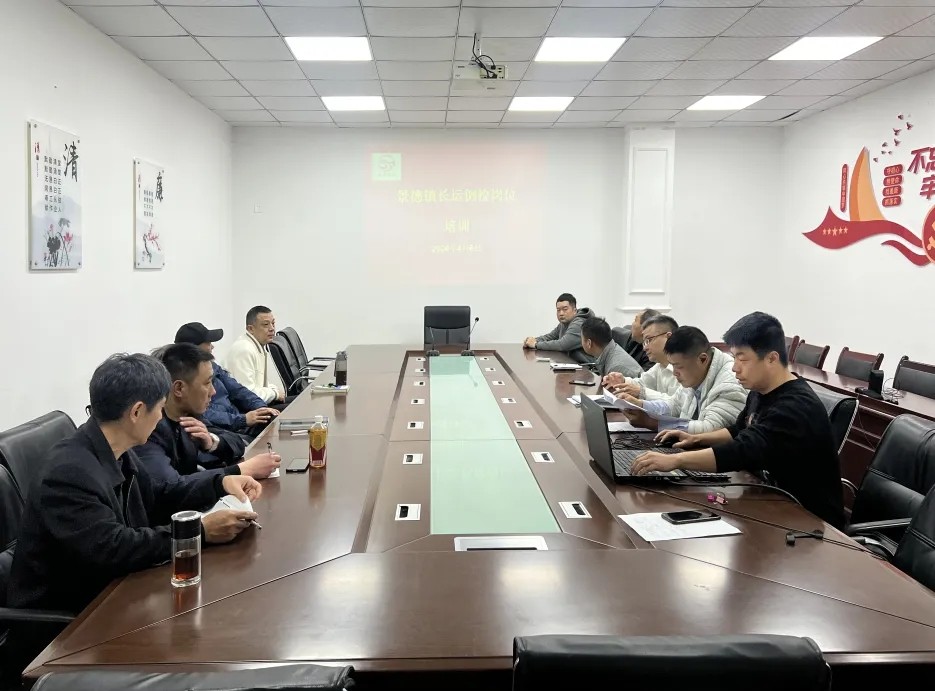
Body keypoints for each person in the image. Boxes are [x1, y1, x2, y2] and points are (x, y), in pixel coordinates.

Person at [7, 353, 262, 628]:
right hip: (69, 624)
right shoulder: (68, 473)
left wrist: (220, 482)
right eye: (160, 408)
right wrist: (198, 532)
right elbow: (114, 548)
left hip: (114, 594)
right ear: (137, 412)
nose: (161, 417)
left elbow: (158, 496)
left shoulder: (115, 449)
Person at [632, 312, 845, 529]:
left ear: (771, 358)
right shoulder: (760, 391)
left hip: (809, 521)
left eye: (742, 359)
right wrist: (696, 439)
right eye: (733, 358)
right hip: (770, 500)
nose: (734, 367)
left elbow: (741, 450)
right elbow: (738, 430)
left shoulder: (795, 406)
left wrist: (676, 461)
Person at [136, 344, 281, 483]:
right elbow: (170, 486)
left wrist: (211, 442)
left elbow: (236, 442)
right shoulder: (150, 429)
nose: (213, 391)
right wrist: (242, 470)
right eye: (207, 383)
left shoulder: (189, 416)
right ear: (179, 388)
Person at [620, 326, 747, 434]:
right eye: (672, 365)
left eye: (678, 366)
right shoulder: (696, 373)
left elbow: (711, 428)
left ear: (702, 359)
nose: (674, 372)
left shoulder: (730, 383)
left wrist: (651, 423)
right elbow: (674, 405)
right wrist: (640, 405)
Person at [174, 322, 279, 439]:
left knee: (274, 418)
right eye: (208, 343)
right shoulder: (185, 378)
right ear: (193, 349)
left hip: (240, 421)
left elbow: (237, 389)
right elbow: (203, 414)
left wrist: (261, 407)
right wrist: (243, 420)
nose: (212, 347)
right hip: (225, 431)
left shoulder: (212, 366)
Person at [603, 315, 680, 401]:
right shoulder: (659, 366)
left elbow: (678, 404)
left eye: (649, 340)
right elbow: (642, 383)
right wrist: (622, 381)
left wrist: (642, 392)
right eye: (644, 342)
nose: (645, 348)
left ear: (668, 337)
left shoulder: (684, 367)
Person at [226, 306, 288, 405]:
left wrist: (274, 390)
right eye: (266, 324)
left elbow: (260, 385)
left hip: (257, 403)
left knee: (299, 402)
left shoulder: (258, 345)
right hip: (245, 409)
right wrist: (275, 393)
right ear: (250, 329)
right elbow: (247, 394)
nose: (272, 328)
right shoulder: (244, 350)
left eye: (273, 323)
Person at [523, 293, 595, 363]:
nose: (561, 313)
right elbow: (550, 337)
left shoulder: (579, 324)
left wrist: (535, 344)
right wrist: (532, 340)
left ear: (574, 311)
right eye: (558, 310)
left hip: (586, 367)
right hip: (572, 363)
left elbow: (562, 345)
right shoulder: (564, 323)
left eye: (565, 309)